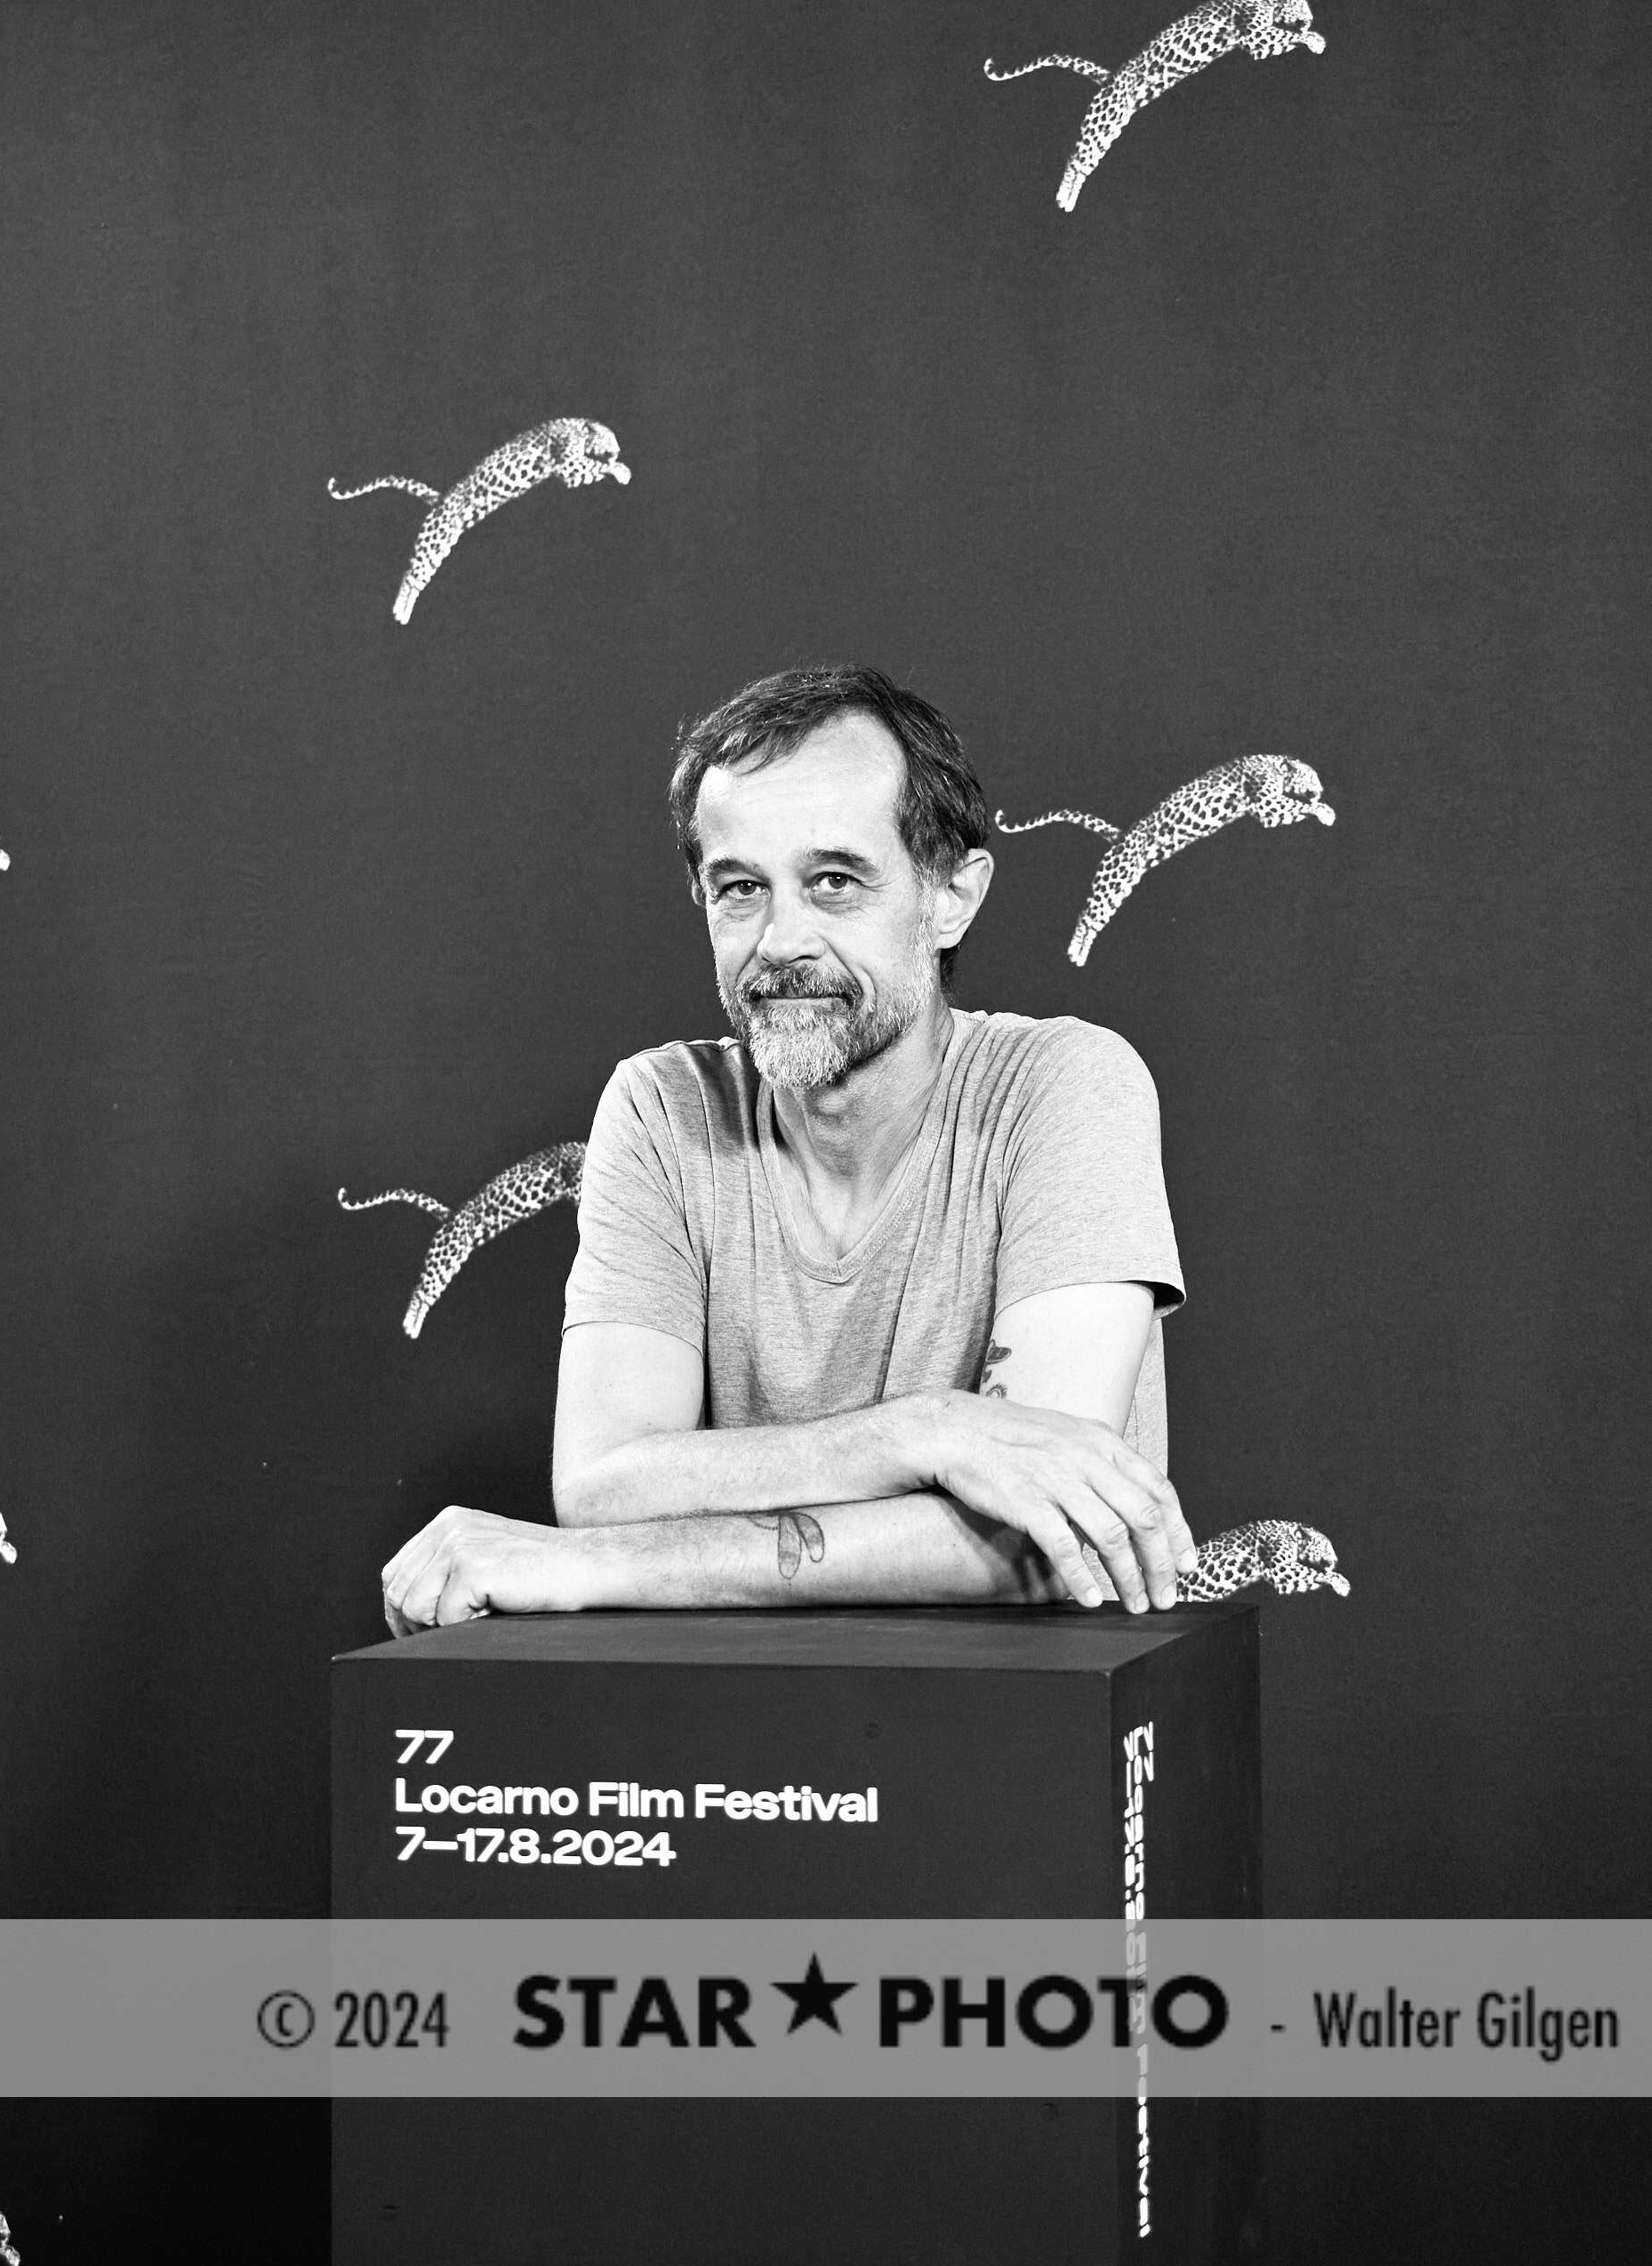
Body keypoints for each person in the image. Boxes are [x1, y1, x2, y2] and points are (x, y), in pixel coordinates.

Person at [381, 664, 1195, 1635]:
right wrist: (930, 1432)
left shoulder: (1066, 1083)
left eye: (835, 882)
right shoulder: (663, 1107)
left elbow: (1046, 1533)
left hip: (1027, 1725)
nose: (781, 939)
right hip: (750, 1744)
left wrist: (598, 1566)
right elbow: (602, 1483)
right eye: (739, 889)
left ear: (952, 898)